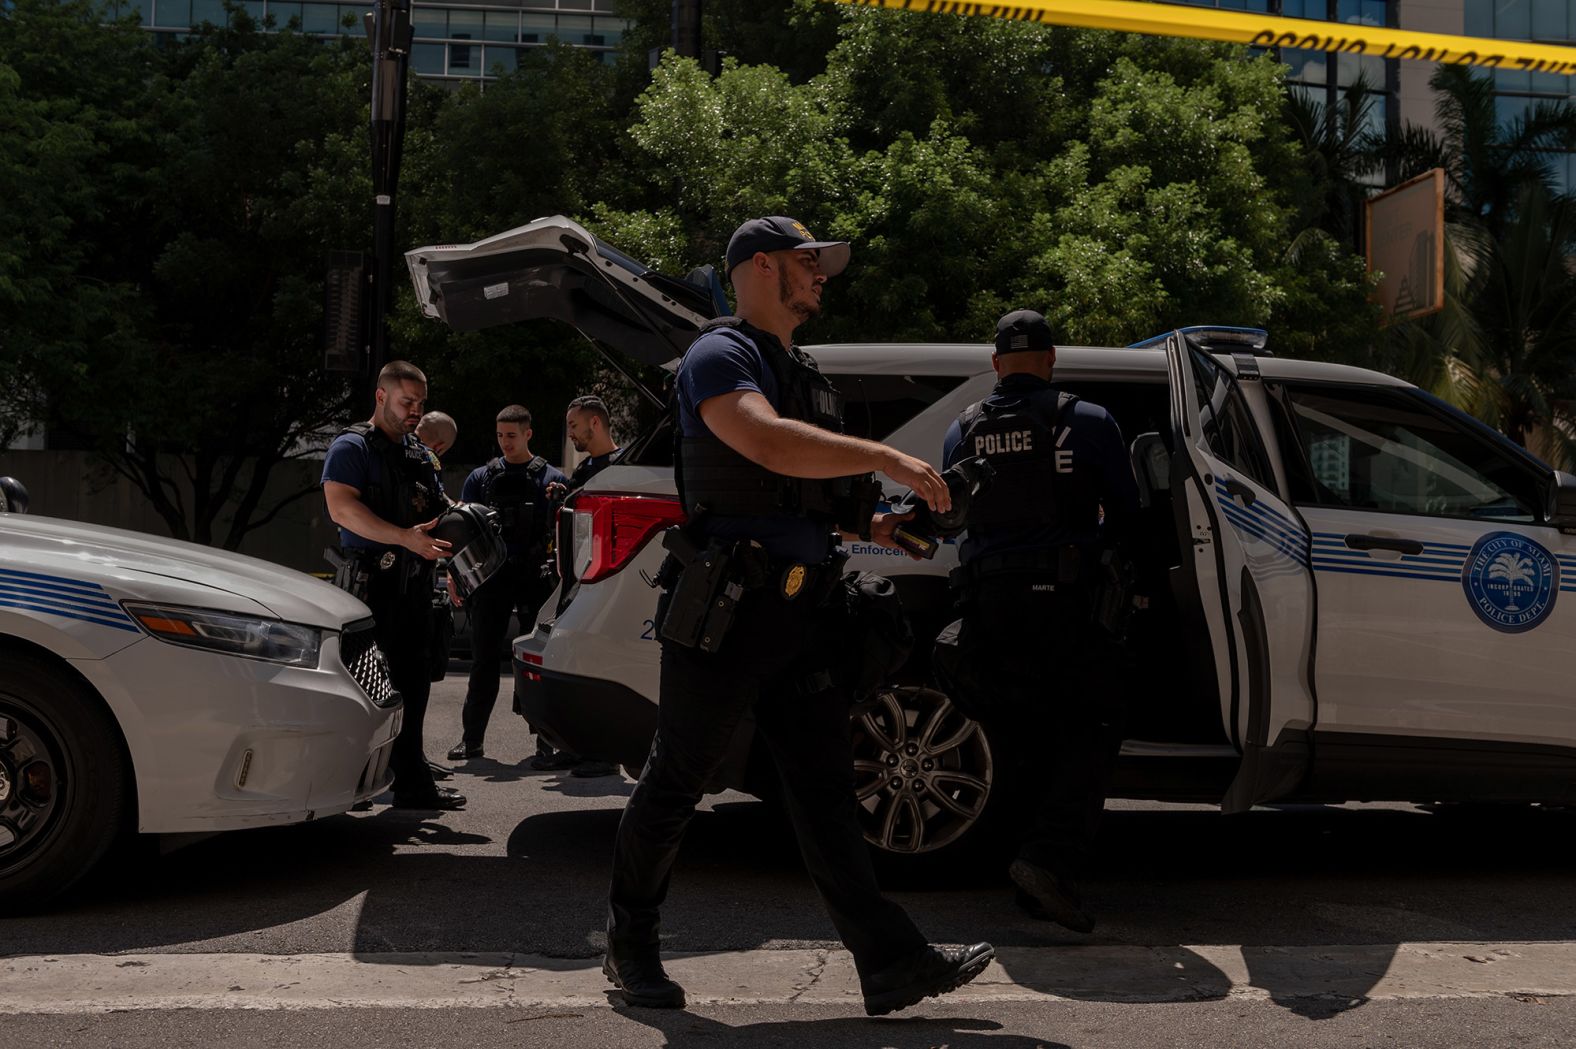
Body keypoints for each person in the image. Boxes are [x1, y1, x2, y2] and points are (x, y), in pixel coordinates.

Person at [603, 215, 993, 1017]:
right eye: (808, 262)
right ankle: (629, 946)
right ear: (759, 269)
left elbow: (808, 492)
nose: (822, 276)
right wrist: (885, 456)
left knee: (823, 792)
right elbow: (765, 443)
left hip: (802, 613)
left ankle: (891, 963)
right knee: (677, 780)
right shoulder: (721, 355)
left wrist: (878, 524)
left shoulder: (803, 370)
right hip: (731, 611)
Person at [940, 308, 1141, 933]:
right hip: (1066, 601)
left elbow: (956, 514)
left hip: (990, 606)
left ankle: (1024, 867)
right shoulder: (1088, 420)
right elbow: (1129, 516)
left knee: (1019, 737)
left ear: (996, 364)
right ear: (1051, 360)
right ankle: (1047, 862)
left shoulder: (962, 429)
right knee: (1090, 726)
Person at [322, 361, 466, 812]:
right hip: (369, 587)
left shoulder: (420, 454)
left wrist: (466, 529)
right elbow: (342, 510)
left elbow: (439, 508)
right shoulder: (351, 447)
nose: (415, 412)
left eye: (420, 403)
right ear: (382, 396)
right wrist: (405, 537)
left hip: (416, 588)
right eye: (407, 402)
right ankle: (351, 784)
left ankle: (411, 780)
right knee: (361, 689)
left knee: (414, 687)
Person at [446, 405, 566, 762]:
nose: (504, 442)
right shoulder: (481, 478)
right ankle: (472, 739)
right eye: (500, 435)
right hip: (490, 577)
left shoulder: (552, 479)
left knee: (537, 664)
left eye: (511, 435)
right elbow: (462, 529)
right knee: (483, 659)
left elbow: (566, 534)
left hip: (535, 577)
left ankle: (546, 743)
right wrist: (456, 574)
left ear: (529, 433)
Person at [563, 395, 621, 491]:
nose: (569, 434)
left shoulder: (623, 467)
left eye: (573, 426)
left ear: (594, 422)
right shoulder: (581, 470)